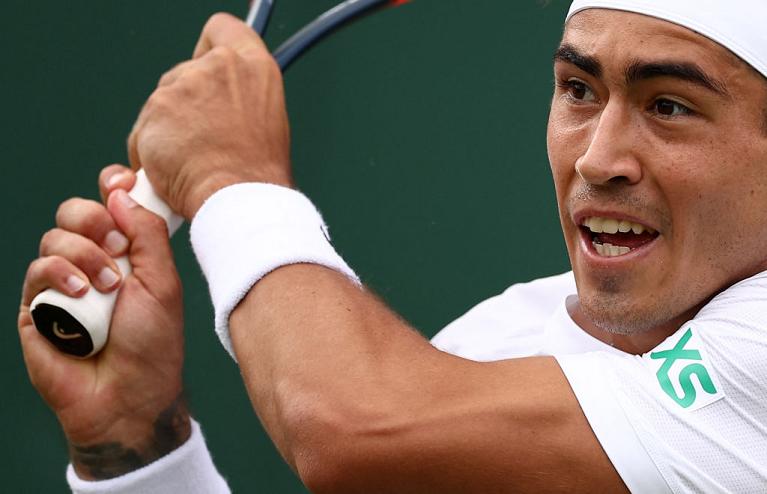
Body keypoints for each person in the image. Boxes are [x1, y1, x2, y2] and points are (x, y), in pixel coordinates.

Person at [17, 0, 767, 491]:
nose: (596, 159)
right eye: (577, 90)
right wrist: (138, 449)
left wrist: (228, 179)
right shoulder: (491, 343)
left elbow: (346, 425)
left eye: (668, 106)